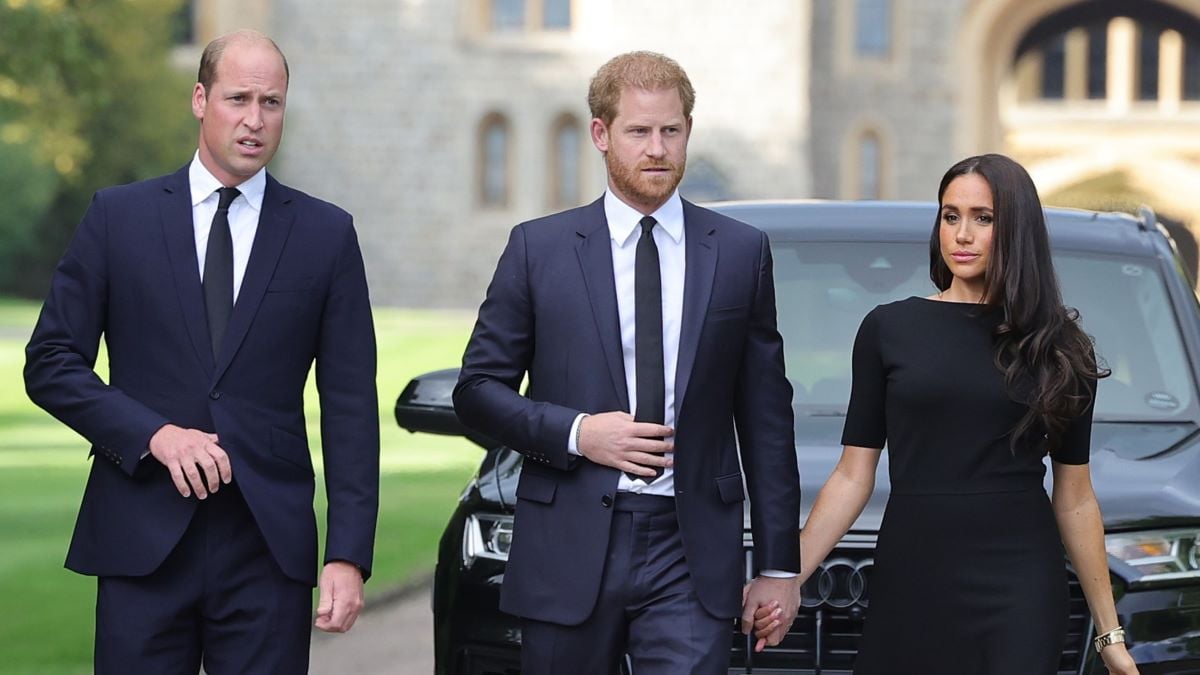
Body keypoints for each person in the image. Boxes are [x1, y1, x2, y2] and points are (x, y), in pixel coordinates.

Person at [23, 29, 379, 673]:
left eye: (271, 102)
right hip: (141, 538)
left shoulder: (326, 234)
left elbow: (351, 406)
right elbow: (50, 362)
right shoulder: (117, 218)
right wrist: (154, 434)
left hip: (267, 549)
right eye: (237, 98)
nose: (254, 119)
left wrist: (348, 554)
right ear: (199, 99)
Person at [453, 50, 802, 674]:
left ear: (688, 131)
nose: (657, 147)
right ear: (600, 133)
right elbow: (477, 390)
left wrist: (778, 566)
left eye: (671, 129)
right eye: (638, 131)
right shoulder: (539, 250)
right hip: (567, 542)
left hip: (689, 549)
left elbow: (766, 418)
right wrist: (579, 433)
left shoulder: (741, 252)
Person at [752, 153, 1138, 674]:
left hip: (1019, 585)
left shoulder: (1060, 347)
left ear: (1016, 229)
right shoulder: (890, 330)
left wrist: (1109, 635)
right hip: (913, 574)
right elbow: (852, 475)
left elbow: (1074, 498)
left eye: (983, 218)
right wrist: (788, 577)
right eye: (950, 215)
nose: (962, 233)